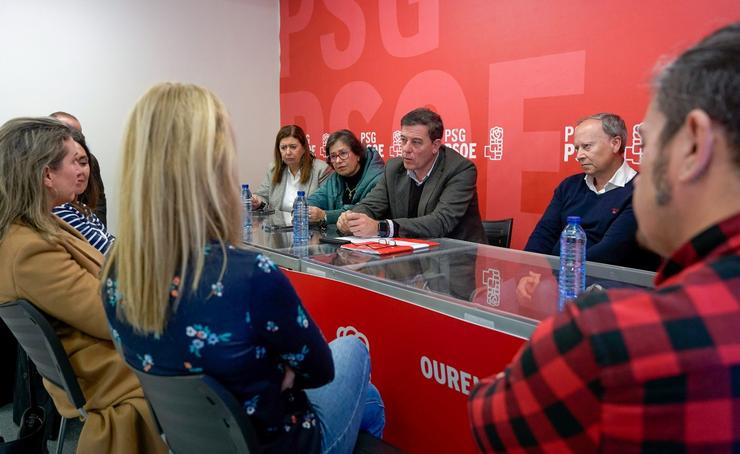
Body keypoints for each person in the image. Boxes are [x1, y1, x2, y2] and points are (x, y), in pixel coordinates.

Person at [469, 22, 740, 452]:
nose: (641, 164)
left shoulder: (607, 337)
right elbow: (540, 238)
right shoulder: (570, 187)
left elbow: (492, 420)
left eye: (648, 146)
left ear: (693, 146)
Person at [102, 82, 385, 453]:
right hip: (281, 443)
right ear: (216, 166)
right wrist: (280, 373)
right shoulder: (249, 276)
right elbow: (319, 371)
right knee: (353, 353)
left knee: (371, 399)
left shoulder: (116, 273)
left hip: (194, 442)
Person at [0, 117, 166, 453]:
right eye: (74, 160)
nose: (84, 169)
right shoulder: (30, 248)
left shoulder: (41, 226)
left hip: (106, 362)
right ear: (47, 175)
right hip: (115, 373)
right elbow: (113, 317)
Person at [524, 112, 659, 270]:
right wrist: (530, 272)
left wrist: (557, 275)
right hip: (559, 278)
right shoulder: (568, 186)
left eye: (587, 146)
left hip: (610, 286)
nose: (579, 155)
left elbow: (609, 253)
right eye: (577, 148)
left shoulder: (641, 191)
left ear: (615, 143)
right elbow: (543, 235)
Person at [337, 107, 486, 243]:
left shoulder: (460, 170)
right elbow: (371, 205)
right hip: (411, 258)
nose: (406, 149)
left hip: (457, 259)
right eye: (403, 140)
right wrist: (352, 219)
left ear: (435, 145)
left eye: (416, 142)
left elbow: (440, 222)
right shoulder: (394, 168)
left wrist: (382, 227)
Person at [52, 128, 114, 254]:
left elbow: (109, 241)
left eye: (83, 162)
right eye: (71, 162)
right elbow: (108, 253)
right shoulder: (57, 210)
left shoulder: (81, 206)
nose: (80, 171)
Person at [307, 129, 385, 224]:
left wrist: (325, 216)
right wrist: (304, 208)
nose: (338, 161)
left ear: (358, 154)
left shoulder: (378, 178)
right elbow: (318, 197)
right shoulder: (335, 178)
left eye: (343, 153)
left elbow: (361, 210)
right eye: (333, 156)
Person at [253, 124, 331, 212]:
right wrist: (257, 201)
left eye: (293, 147)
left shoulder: (321, 170)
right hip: (278, 224)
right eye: (283, 147)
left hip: (307, 224)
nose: (288, 152)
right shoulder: (273, 169)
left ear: (304, 148)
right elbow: (262, 196)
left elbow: (325, 205)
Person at [49, 111, 108, 226]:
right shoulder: (37, 165)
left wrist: (97, 230)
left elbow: (98, 200)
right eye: (67, 132)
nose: (74, 138)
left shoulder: (91, 162)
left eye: (82, 162)